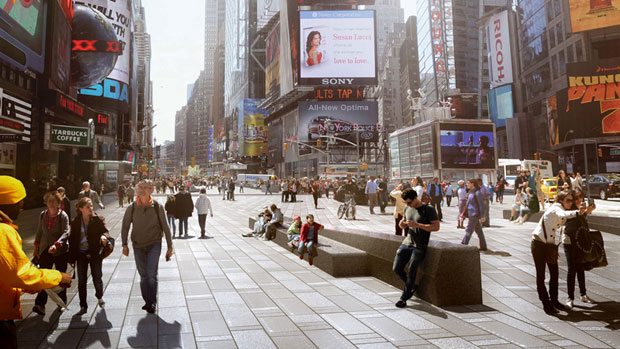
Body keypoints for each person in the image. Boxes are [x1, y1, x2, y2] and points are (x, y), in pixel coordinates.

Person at [0, 176, 72, 348]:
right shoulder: (3, 232)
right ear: (8, 202)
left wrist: (27, 286)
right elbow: (19, 273)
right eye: (19, 201)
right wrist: (58, 277)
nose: (22, 207)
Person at [531, 191, 591, 314]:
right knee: (541, 276)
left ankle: (554, 301)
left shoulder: (560, 209)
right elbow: (564, 214)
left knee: (554, 274)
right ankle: (546, 304)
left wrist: (554, 248)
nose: (570, 203)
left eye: (571, 200)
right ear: (561, 200)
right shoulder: (556, 208)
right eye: (568, 200)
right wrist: (577, 212)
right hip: (538, 244)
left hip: (548, 245)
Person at [121, 180, 174, 314]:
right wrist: (124, 244)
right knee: (143, 275)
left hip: (154, 243)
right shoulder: (132, 207)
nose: (143, 190)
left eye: (146, 187)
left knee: (151, 274)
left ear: (151, 190)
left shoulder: (157, 206)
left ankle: (152, 302)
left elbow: (166, 227)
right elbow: (125, 226)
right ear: (137, 190)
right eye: (140, 187)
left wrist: (170, 246)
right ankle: (147, 301)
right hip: (138, 245)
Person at [393, 188, 440, 308]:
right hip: (407, 242)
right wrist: (402, 224)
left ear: (415, 198)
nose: (408, 205)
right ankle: (412, 286)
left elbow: (436, 227)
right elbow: (402, 222)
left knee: (412, 270)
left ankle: (404, 298)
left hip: (420, 244)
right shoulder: (407, 207)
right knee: (396, 268)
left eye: (410, 202)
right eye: (406, 203)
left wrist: (418, 225)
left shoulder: (428, 209)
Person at [68, 197, 111, 314]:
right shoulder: (76, 222)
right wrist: (71, 258)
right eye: (88, 206)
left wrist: (104, 236)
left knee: (97, 278)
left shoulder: (98, 219)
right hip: (81, 254)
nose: (91, 208)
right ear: (81, 209)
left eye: (91, 206)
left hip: (95, 253)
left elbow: (106, 231)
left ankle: (99, 296)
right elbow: (72, 241)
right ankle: (83, 305)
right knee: (81, 281)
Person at [32, 191, 71, 316]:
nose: (51, 203)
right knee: (44, 277)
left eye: (54, 201)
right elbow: (39, 231)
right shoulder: (43, 214)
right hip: (45, 250)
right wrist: (36, 247)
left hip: (60, 251)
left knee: (61, 277)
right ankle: (40, 304)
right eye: (49, 201)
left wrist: (57, 244)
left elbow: (66, 232)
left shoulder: (62, 215)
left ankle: (62, 302)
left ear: (58, 202)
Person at [562, 188, 594, 309]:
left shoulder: (579, 209)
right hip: (569, 242)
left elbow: (581, 223)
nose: (579, 199)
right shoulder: (569, 209)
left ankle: (583, 294)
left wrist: (586, 212)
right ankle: (570, 297)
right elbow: (571, 224)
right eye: (577, 197)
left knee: (580, 267)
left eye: (581, 196)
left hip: (580, 242)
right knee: (572, 269)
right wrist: (582, 213)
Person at [460, 178, 487, 251]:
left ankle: (463, 244)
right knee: (479, 231)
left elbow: (481, 205)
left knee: (469, 230)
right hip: (471, 213)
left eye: (468, 183)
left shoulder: (477, 193)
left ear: (473, 184)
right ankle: (483, 246)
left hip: (474, 214)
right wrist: (463, 213)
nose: (467, 185)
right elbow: (468, 204)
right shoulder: (471, 192)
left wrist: (482, 216)